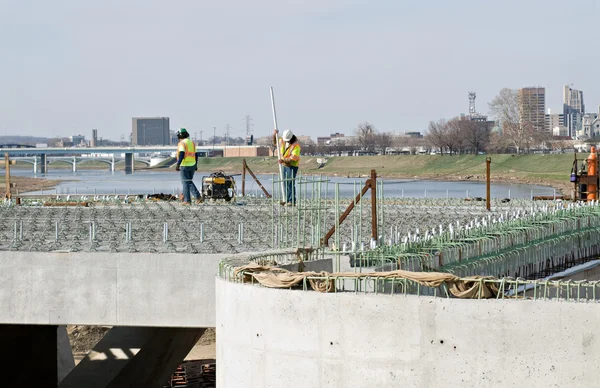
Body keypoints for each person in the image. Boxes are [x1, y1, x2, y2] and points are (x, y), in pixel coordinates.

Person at [273, 129, 301, 206]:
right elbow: (275, 143)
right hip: (284, 166)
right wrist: (274, 135)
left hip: (292, 166)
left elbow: (293, 158)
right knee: (285, 183)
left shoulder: (296, 146)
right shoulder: (283, 141)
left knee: (290, 183)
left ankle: (291, 201)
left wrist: (283, 160)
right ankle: (286, 199)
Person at [175, 128, 201, 205]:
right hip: (192, 164)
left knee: (185, 182)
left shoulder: (182, 143)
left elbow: (182, 154)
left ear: (180, 135)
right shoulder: (192, 143)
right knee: (189, 181)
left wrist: (178, 164)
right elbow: (196, 155)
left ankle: (187, 200)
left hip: (185, 165)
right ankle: (197, 197)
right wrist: (196, 164)